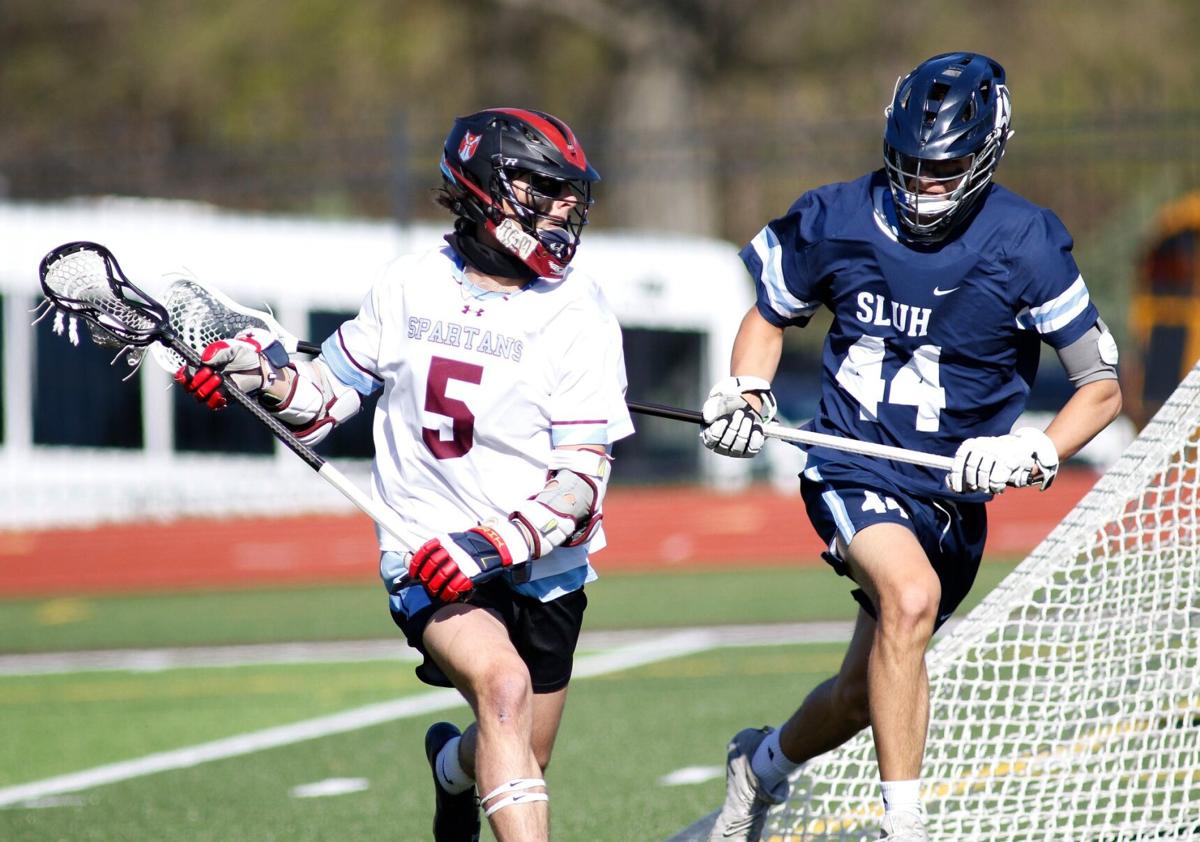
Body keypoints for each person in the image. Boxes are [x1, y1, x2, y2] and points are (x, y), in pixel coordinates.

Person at [176, 107, 633, 842]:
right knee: (504, 689)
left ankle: (449, 770)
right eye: (542, 191)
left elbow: (580, 492)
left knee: (517, 751)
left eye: (569, 195)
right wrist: (255, 378)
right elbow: (321, 402)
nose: (561, 211)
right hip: (425, 547)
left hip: (541, 562)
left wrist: (490, 544)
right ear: (484, 186)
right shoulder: (408, 284)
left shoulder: (577, 311)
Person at [699, 53, 1122, 841]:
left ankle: (759, 770)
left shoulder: (1023, 240)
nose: (926, 184)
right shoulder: (838, 215)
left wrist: (1036, 448)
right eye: (912, 165)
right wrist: (748, 390)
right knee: (912, 598)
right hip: (852, 459)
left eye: (947, 167)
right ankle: (907, 827)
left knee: (865, 694)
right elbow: (768, 311)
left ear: (988, 152)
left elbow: (1100, 386)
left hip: (953, 489)